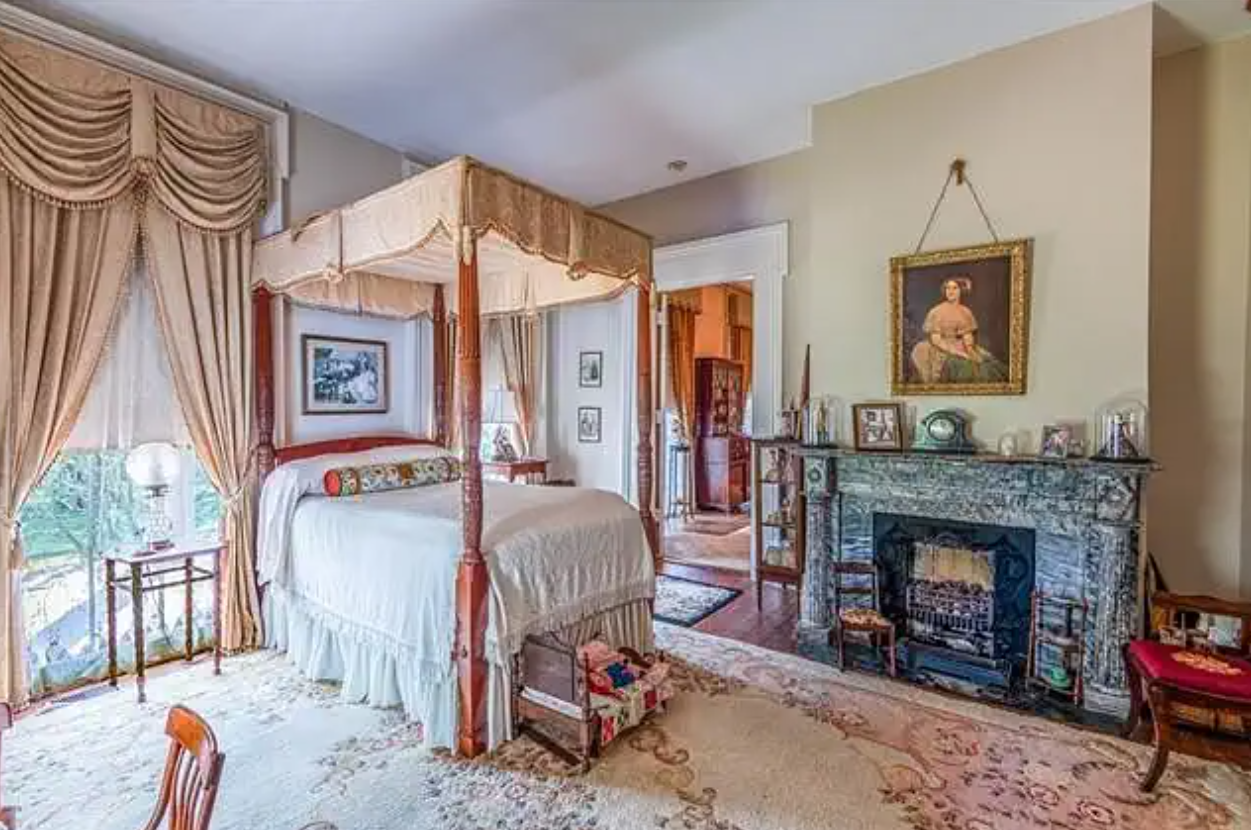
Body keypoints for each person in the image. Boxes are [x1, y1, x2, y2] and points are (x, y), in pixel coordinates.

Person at [910, 276, 1007, 384]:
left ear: (961, 290)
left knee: (988, 365)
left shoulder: (966, 311)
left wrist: (970, 351)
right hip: (940, 348)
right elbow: (936, 340)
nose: (950, 291)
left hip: (960, 345)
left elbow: (967, 337)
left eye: (954, 288)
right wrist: (959, 353)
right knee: (964, 366)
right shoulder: (936, 311)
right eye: (948, 288)